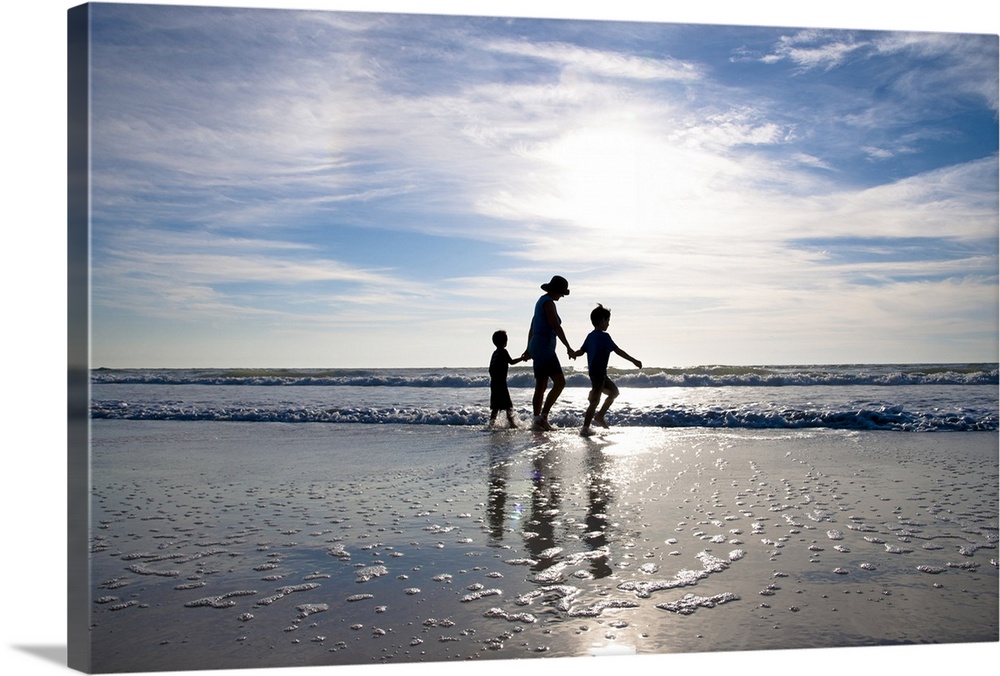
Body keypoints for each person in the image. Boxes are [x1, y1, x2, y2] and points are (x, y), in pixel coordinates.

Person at [570, 304, 642, 437]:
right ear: (602, 321)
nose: (608, 324)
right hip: (598, 373)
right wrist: (633, 360)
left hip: (598, 373)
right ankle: (585, 428)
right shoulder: (604, 336)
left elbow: (581, 351)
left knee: (614, 392)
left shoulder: (590, 336)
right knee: (595, 401)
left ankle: (600, 416)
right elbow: (618, 351)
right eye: (607, 321)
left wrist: (574, 353)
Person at [523, 275, 574, 431]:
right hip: (544, 347)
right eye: (561, 293)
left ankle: (537, 419)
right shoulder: (549, 304)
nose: (562, 296)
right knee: (560, 383)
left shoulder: (540, 302)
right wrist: (568, 347)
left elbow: (532, 326)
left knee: (541, 385)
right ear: (556, 291)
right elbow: (555, 326)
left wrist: (528, 348)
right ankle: (543, 417)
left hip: (537, 346)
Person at [488, 329, 527, 428]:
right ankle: (512, 424)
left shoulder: (495, 353)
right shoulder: (503, 351)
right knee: (508, 405)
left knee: (496, 406)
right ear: (505, 342)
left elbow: (490, 369)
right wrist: (522, 358)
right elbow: (512, 362)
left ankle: (491, 424)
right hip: (501, 383)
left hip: (494, 383)